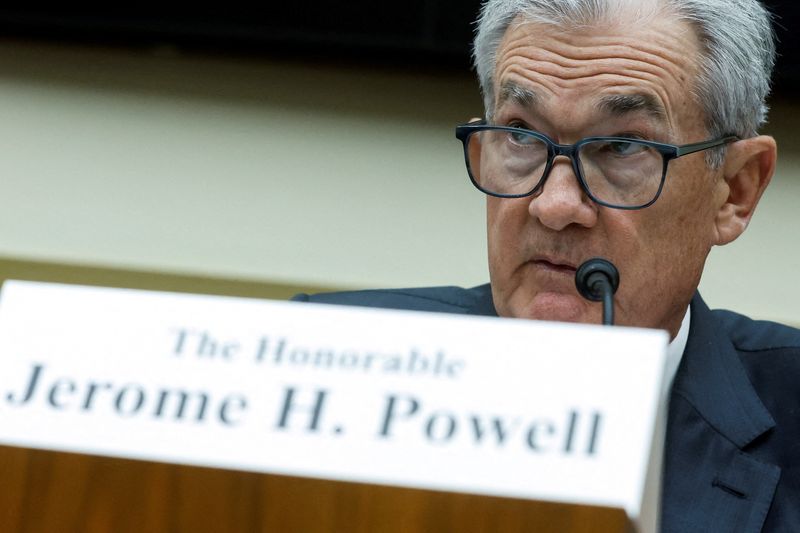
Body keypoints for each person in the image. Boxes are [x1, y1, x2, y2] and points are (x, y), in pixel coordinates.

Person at [294, 0, 800, 529]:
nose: (554, 206)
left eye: (622, 145)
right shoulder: (323, 368)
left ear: (733, 192)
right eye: (519, 134)